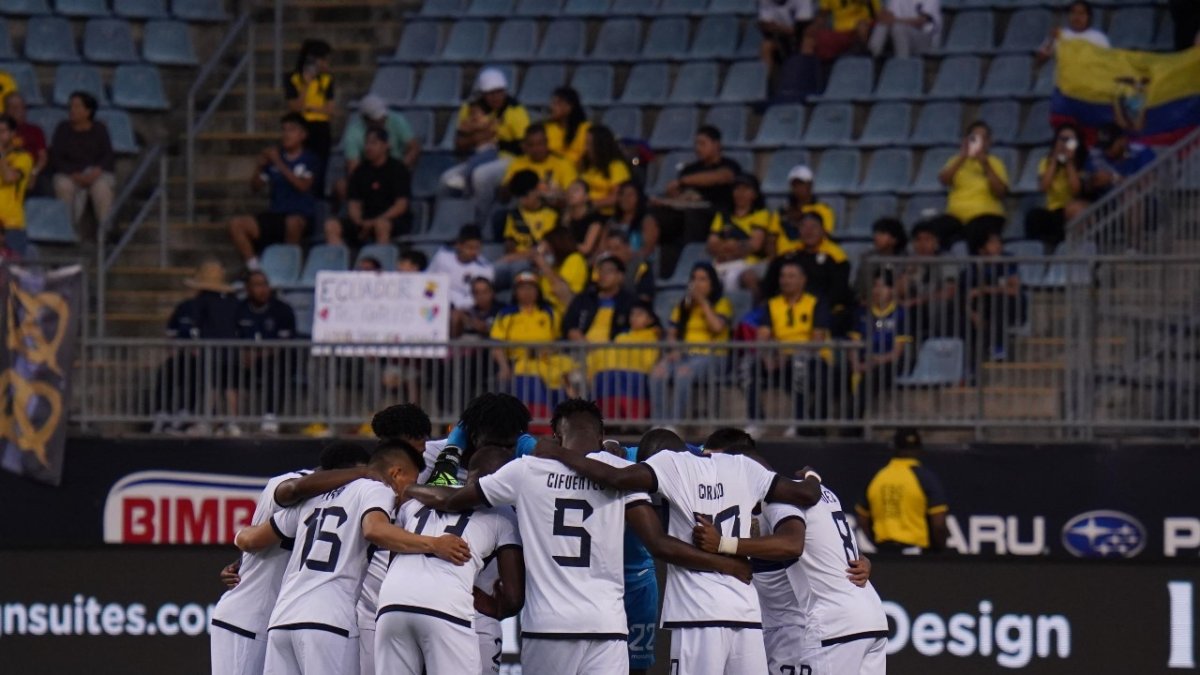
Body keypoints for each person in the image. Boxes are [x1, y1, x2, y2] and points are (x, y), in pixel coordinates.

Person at [405, 399, 755, 674]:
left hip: (547, 626)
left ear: (557, 435)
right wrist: (724, 561)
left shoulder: (527, 469)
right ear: (603, 435)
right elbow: (658, 544)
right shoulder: (620, 471)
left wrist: (409, 489)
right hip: (607, 626)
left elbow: (450, 498)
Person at [532, 418, 826, 674]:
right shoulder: (742, 465)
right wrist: (812, 475)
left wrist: (559, 452)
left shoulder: (670, 462)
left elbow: (617, 477)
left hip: (698, 616)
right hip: (745, 613)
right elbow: (806, 494)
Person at [235, 440, 471, 675]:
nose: (407, 494)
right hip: (328, 621)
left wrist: (238, 559)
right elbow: (374, 530)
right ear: (395, 473)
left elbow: (249, 540)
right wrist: (434, 544)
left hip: (282, 622)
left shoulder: (316, 495)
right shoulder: (376, 489)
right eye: (410, 482)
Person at [693, 455, 889, 674]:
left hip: (828, 625)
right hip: (871, 617)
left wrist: (722, 543)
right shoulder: (823, 494)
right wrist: (865, 559)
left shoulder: (779, 500)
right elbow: (831, 542)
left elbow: (791, 544)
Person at [210, 443, 371, 675]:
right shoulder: (291, 483)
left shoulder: (337, 495)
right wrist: (364, 473)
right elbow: (253, 536)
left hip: (282, 618)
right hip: (248, 617)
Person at [375, 446, 525, 675]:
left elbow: (395, 552)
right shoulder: (505, 514)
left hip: (391, 601)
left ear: (469, 472)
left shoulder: (419, 500)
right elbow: (514, 597)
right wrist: (488, 602)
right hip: (446, 605)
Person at [151, 260, 240, 436]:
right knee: (223, 384)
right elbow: (175, 332)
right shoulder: (229, 303)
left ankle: (210, 421)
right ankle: (228, 422)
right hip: (220, 355)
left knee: (214, 384)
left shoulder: (200, 304)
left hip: (209, 356)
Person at [747, 258, 832, 435]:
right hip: (780, 356)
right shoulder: (772, 304)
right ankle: (756, 421)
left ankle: (798, 422)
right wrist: (770, 356)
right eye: (783, 276)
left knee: (798, 363)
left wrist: (789, 353)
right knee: (750, 365)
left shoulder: (815, 302)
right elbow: (763, 336)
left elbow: (817, 340)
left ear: (803, 280)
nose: (786, 280)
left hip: (812, 358)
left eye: (791, 276)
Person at [644, 126, 742, 276]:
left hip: (714, 214)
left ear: (716, 145)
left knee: (693, 216)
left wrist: (683, 181)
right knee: (654, 214)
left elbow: (721, 177)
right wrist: (668, 198)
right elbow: (679, 196)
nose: (698, 148)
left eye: (702, 144)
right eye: (696, 144)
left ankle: (690, 266)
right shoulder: (690, 169)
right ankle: (644, 259)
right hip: (685, 211)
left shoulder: (729, 165)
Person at [229, 113, 320, 271]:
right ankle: (254, 268)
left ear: (302, 135)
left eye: (291, 130)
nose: (286, 134)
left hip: (301, 215)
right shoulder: (274, 158)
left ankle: (289, 268)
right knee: (236, 224)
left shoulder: (309, 159)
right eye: (284, 130)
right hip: (276, 214)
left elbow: (303, 186)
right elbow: (256, 187)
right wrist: (259, 167)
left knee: (293, 222)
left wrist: (279, 163)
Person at [650, 262, 733, 424]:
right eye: (694, 278)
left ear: (712, 283)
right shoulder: (683, 306)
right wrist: (674, 350)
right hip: (685, 354)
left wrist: (703, 303)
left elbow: (717, 327)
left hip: (712, 356)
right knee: (658, 372)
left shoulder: (722, 303)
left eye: (702, 279)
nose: (696, 283)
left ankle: (673, 424)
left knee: (683, 372)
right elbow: (672, 335)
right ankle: (658, 423)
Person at [442, 69, 531, 216]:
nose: (496, 97)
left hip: (509, 158)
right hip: (480, 155)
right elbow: (459, 145)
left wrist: (497, 141)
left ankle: (480, 220)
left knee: (481, 176)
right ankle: (446, 219)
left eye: (499, 92)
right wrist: (477, 138)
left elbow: (524, 147)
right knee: (446, 180)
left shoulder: (515, 110)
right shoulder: (471, 109)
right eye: (491, 93)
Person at [490, 271, 570, 420]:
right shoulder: (506, 314)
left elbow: (558, 342)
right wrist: (503, 367)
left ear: (538, 291)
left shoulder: (549, 313)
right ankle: (535, 423)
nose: (527, 292)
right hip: (519, 364)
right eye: (522, 288)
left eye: (531, 288)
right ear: (515, 292)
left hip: (547, 363)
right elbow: (497, 344)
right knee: (528, 380)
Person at [856, 428, 950, 553]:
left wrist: (874, 543)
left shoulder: (878, 478)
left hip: (884, 552)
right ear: (919, 449)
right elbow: (938, 524)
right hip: (916, 552)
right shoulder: (925, 478)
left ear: (895, 448)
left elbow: (862, 520)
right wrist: (940, 551)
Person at [229, 271, 296, 436]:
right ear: (248, 288)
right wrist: (243, 354)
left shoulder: (282, 309)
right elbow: (232, 338)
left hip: (276, 359)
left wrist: (257, 355)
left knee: (275, 369)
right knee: (226, 369)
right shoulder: (239, 309)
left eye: (265, 284)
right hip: (245, 360)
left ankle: (270, 416)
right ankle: (231, 421)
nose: (263, 289)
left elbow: (284, 343)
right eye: (257, 285)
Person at [324, 127, 412, 247]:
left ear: (386, 145)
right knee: (331, 225)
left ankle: (380, 261)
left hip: (391, 219)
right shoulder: (360, 171)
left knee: (381, 225)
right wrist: (359, 221)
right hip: (364, 219)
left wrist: (375, 221)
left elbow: (400, 205)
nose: (368, 147)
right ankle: (339, 262)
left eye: (374, 143)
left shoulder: (398, 169)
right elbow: (354, 204)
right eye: (367, 143)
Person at [50, 91, 115, 236]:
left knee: (102, 188)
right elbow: (56, 157)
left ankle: (105, 233)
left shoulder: (100, 129)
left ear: (88, 111)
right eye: (71, 106)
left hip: (96, 173)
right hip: (70, 173)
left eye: (77, 106)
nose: (72, 110)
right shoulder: (63, 128)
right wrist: (74, 174)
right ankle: (66, 231)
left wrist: (97, 171)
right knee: (63, 185)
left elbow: (108, 156)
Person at [848, 270, 910, 418]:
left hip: (889, 363)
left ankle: (853, 422)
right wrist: (856, 363)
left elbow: (897, 352)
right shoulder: (862, 312)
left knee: (872, 377)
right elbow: (853, 344)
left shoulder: (901, 313)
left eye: (882, 287)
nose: (877, 291)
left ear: (892, 290)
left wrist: (877, 360)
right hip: (864, 362)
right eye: (875, 286)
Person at [937, 121, 1009, 245]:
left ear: (988, 142)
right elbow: (944, 180)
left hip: (986, 215)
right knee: (935, 229)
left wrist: (985, 165)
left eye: (983, 139)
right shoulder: (955, 160)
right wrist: (962, 157)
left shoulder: (995, 163)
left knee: (977, 231)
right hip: (956, 216)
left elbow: (1000, 192)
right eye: (974, 138)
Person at [592, 300, 662, 422]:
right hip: (617, 372)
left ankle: (630, 420)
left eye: (639, 315)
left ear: (650, 320)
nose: (634, 318)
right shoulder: (621, 337)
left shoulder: (651, 337)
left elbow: (648, 363)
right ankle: (609, 420)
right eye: (632, 314)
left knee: (617, 376)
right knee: (603, 376)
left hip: (638, 375)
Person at [963, 228, 1025, 361]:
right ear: (981, 248)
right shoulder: (973, 266)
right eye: (992, 242)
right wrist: (972, 313)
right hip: (982, 309)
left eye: (999, 242)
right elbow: (966, 295)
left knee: (999, 302)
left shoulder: (1008, 260)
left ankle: (998, 346)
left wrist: (984, 289)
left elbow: (1014, 290)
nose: (998, 245)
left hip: (1011, 306)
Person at [1024, 123, 1089, 251]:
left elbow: (1076, 190)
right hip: (1053, 209)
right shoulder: (1046, 162)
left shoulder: (1082, 163)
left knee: (1076, 212)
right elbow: (1043, 187)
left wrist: (1069, 163)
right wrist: (1054, 160)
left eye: (1069, 140)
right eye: (1062, 139)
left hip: (1070, 210)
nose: (1064, 143)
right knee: (1033, 216)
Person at [708, 173, 773, 293]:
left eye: (746, 189)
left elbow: (755, 245)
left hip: (751, 263)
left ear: (754, 194)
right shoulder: (722, 216)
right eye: (737, 189)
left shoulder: (760, 214)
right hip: (723, 262)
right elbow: (712, 244)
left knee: (732, 277)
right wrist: (729, 248)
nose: (740, 193)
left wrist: (732, 247)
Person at [285, 39, 335, 192]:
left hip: (320, 129)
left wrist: (311, 107)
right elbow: (295, 107)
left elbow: (330, 110)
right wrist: (306, 85)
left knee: (319, 170)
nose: (326, 64)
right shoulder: (293, 79)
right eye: (324, 59)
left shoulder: (327, 80)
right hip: (302, 128)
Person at [496, 169, 558, 288]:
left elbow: (545, 249)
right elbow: (510, 245)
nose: (521, 200)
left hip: (541, 262)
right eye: (519, 197)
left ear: (535, 191)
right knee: (493, 270)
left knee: (520, 268)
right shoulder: (514, 215)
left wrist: (514, 257)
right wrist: (512, 256)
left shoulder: (551, 215)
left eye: (524, 196)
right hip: (517, 260)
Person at [898, 220, 960, 340]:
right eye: (918, 240)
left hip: (940, 311)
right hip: (915, 312)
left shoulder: (946, 260)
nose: (922, 244)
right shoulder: (908, 261)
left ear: (936, 242)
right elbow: (899, 292)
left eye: (927, 239)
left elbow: (950, 291)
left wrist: (918, 301)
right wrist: (909, 272)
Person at [499, 123, 577, 203]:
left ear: (547, 143)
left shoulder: (563, 164)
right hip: (521, 209)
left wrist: (554, 195)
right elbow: (503, 196)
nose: (536, 149)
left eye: (540, 144)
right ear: (525, 146)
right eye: (531, 145)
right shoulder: (518, 163)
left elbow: (573, 196)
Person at [343, 94, 419, 172]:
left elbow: (413, 147)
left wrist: (399, 169)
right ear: (365, 119)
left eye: (383, 119)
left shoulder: (397, 120)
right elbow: (352, 165)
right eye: (377, 121)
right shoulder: (353, 133)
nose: (382, 122)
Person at [771, 165, 837, 255]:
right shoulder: (781, 212)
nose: (797, 188)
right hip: (783, 258)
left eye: (801, 184)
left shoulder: (823, 210)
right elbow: (771, 239)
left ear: (810, 185)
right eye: (794, 185)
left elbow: (824, 237)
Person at [427, 224, 494, 310]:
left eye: (477, 248)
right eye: (470, 247)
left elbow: (479, 298)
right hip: (438, 303)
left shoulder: (486, 269)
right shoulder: (442, 257)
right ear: (458, 245)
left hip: (466, 309)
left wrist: (456, 304)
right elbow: (428, 279)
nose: (474, 252)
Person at [531, 225, 588, 320]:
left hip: (564, 314)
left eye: (548, 249)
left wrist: (544, 265)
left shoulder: (575, 259)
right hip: (543, 313)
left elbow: (563, 294)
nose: (546, 253)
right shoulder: (551, 267)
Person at [1088, 123, 1155, 199]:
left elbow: (1146, 185)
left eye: (1109, 146)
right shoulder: (1096, 156)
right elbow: (1086, 183)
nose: (1106, 150)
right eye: (1103, 146)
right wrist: (1092, 182)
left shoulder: (1141, 152)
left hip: (1141, 201)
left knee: (1129, 195)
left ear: (1123, 140)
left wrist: (1113, 178)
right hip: (1105, 203)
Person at [579, 125, 632, 218]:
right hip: (586, 213)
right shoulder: (589, 167)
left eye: (589, 144)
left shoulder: (617, 167)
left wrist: (591, 204)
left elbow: (617, 197)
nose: (586, 148)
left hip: (606, 216)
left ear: (600, 146)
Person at [0, 115, 34, 256]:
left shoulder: (23, 158)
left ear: (13, 134)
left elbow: (9, 177)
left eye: (2, 132)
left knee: (13, 272)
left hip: (12, 225)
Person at [1036, 0, 1109, 62]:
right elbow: (1040, 60)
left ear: (1088, 17)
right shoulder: (1059, 34)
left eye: (1081, 13)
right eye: (1073, 13)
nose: (1077, 17)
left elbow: (1106, 62)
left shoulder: (1099, 37)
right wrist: (1051, 40)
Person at [854, 217, 907, 302]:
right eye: (876, 233)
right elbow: (859, 286)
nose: (876, 237)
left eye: (882, 233)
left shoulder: (906, 259)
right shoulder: (867, 257)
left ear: (894, 239)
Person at [759, 0, 816, 77]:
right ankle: (764, 83)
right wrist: (784, 30)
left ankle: (804, 77)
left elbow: (801, 28)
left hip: (800, 38)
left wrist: (777, 27)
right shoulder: (765, 1)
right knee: (766, 46)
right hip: (780, 38)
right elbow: (765, 25)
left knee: (808, 40)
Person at [4, 93, 47, 196]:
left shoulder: (35, 130)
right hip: (6, 171)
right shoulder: (3, 130)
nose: (16, 110)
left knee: (45, 185)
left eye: (20, 107)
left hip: (33, 172)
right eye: (12, 107)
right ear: (6, 111)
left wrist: (33, 173)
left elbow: (43, 157)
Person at [868, 0, 941, 58]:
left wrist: (895, 20)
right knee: (883, 25)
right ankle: (874, 56)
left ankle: (903, 63)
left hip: (926, 39)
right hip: (903, 35)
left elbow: (922, 22)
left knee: (898, 27)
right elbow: (889, 17)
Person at [598, 230, 656, 303]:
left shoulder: (641, 266)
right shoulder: (603, 265)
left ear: (628, 248)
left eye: (616, 249)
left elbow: (644, 298)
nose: (612, 253)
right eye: (609, 249)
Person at [812, 0, 878, 63]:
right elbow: (823, 13)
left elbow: (878, 13)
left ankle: (862, 58)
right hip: (840, 31)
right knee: (811, 38)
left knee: (862, 26)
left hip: (865, 27)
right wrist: (814, 27)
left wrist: (868, 3)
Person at [544, 86, 590, 167]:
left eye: (557, 104)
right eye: (552, 103)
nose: (551, 107)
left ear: (569, 107)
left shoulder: (585, 129)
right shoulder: (546, 128)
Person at [563, 180, 606, 258]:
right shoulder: (563, 216)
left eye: (576, 190)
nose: (571, 193)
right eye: (569, 190)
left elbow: (586, 248)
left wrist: (563, 244)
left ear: (586, 196)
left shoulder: (594, 219)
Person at [610, 181, 650, 252]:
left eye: (630, 195)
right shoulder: (612, 221)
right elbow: (602, 247)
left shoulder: (647, 222)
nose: (625, 198)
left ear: (639, 197)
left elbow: (643, 251)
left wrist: (620, 246)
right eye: (622, 194)